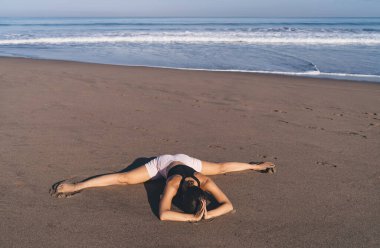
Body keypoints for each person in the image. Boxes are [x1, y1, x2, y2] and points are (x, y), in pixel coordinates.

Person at [50, 154, 276, 222]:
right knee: (124, 179)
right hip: (164, 164)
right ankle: (79, 185)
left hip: (181, 165)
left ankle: (253, 167)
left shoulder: (198, 181)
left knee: (220, 167)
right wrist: (195, 218)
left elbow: (228, 205)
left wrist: (255, 167)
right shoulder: (175, 182)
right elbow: (164, 214)